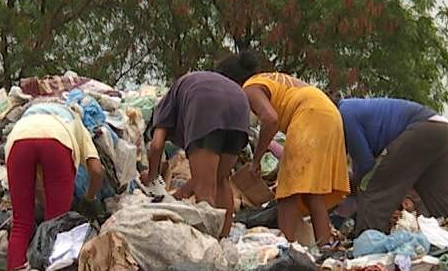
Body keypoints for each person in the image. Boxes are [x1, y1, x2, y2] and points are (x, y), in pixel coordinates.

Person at [216, 50, 348, 246]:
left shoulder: (249, 88)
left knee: (288, 193)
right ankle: (325, 248)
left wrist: (256, 160)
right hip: (330, 115)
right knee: (313, 192)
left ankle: (284, 248)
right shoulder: (267, 79)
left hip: (310, 115)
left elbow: (270, 119)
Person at [145, 70, 252, 235]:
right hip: (239, 104)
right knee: (221, 179)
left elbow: (156, 145)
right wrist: (180, 193)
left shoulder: (162, 107)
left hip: (205, 104)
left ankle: (208, 247)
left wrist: (152, 179)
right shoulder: (185, 90)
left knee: (205, 189)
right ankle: (223, 240)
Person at [4, 99, 105, 271]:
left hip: (17, 141)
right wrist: (89, 198)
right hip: (58, 142)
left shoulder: (29, 117)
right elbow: (96, 170)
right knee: (56, 223)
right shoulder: (74, 120)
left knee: (21, 223)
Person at [336, 96, 448, 235]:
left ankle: (368, 244)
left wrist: (354, 188)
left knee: (373, 188)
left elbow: (366, 165)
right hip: (444, 129)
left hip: (422, 130)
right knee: (444, 205)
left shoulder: (344, 114)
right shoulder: (356, 108)